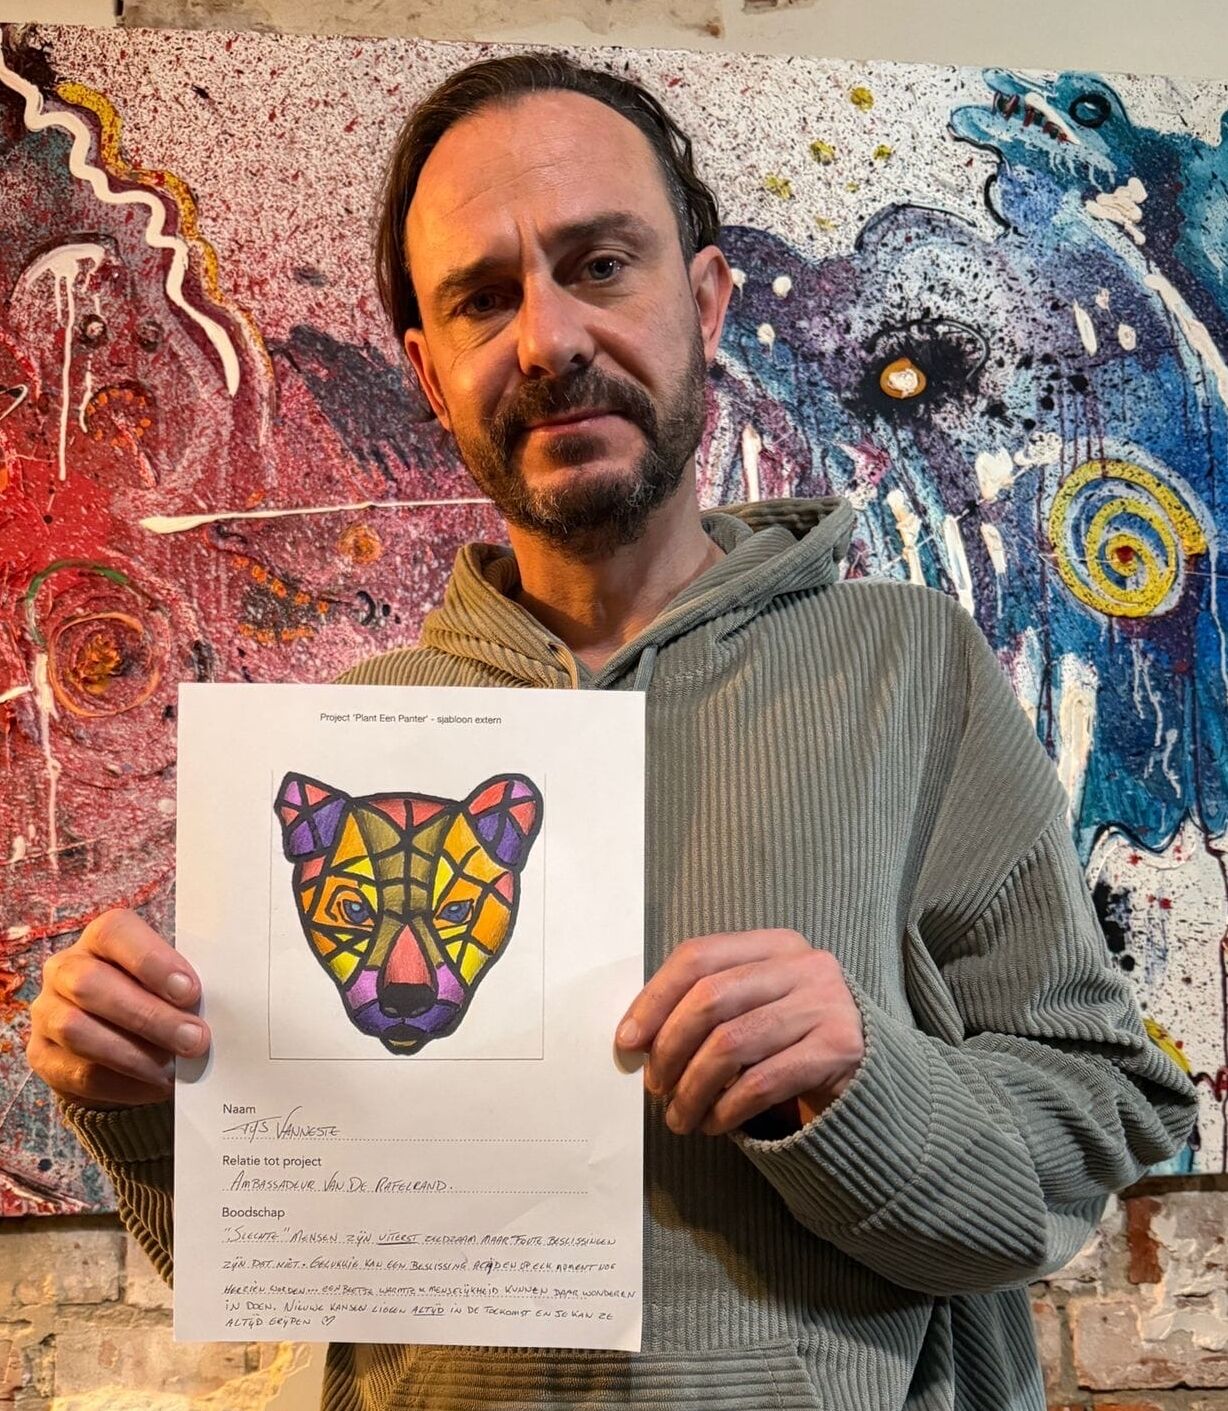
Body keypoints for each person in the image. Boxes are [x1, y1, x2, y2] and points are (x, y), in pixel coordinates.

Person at [28, 50, 1197, 1411]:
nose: (548, 339)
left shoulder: (914, 670)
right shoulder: (356, 745)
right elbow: (303, 1254)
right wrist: (136, 1099)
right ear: (428, 374)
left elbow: (1094, 1126)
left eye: (599, 265)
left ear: (703, 302)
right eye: (482, 298)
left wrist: (864, 1090)